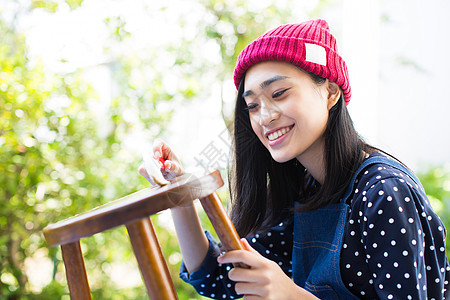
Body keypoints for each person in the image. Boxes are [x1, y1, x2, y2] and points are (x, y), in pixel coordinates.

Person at [139, 19, 450, 299]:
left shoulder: (383, 191)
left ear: (330, 92)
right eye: (253, 106)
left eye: (279, 93)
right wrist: (180, 195)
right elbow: (222, 280)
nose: (265, 116)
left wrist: (293, 296)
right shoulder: (301, 191)